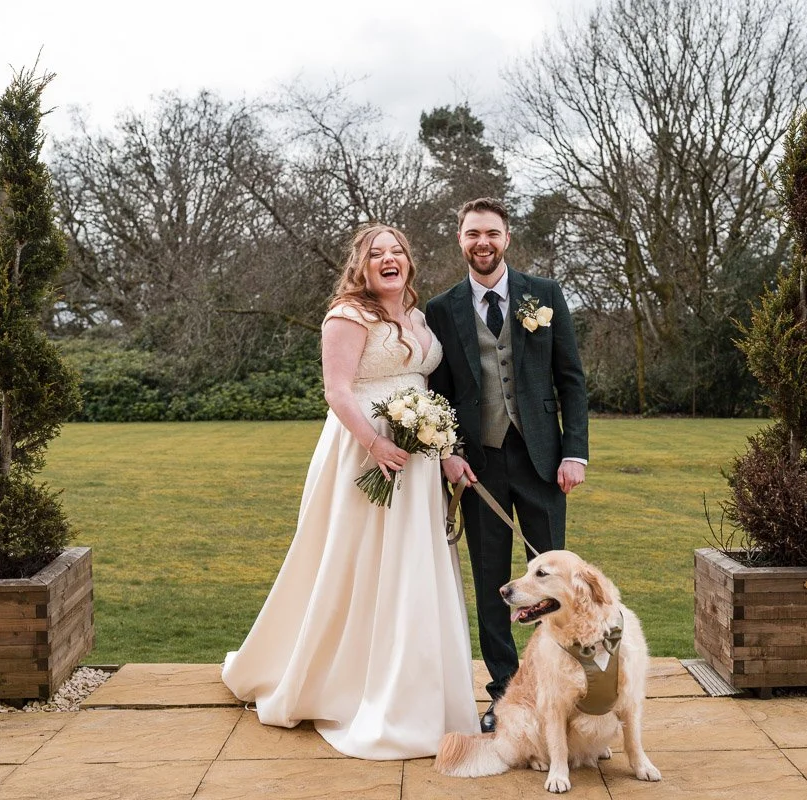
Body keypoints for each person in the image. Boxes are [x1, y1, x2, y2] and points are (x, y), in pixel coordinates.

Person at [222, 224, 479, 759]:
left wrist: (446, 451)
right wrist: (375, 444)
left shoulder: (418, 316)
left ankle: (418, 690)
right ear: (361, 266)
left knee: (412, 565)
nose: (390, 259)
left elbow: (424, 388)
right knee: (355, 561)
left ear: (409, 262)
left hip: (420, 454)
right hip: (364, 452)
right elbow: (337, 390)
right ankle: (342, 682)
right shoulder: (347, 314)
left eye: (397, 252)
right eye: (377, 254)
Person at [425, 197, 589, 733]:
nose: (482, 243)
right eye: (472, 234)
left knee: (555, 581)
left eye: (491, 233)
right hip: (480, 464)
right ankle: (504, 693)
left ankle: (565, 688)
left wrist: (574, 451)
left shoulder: (545, 294)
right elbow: (439, 392)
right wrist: (449, 454)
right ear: (460, 239)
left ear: (507, 237)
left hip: (543, 461)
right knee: (493, 580)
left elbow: (571, 379)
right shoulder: (441, 309)